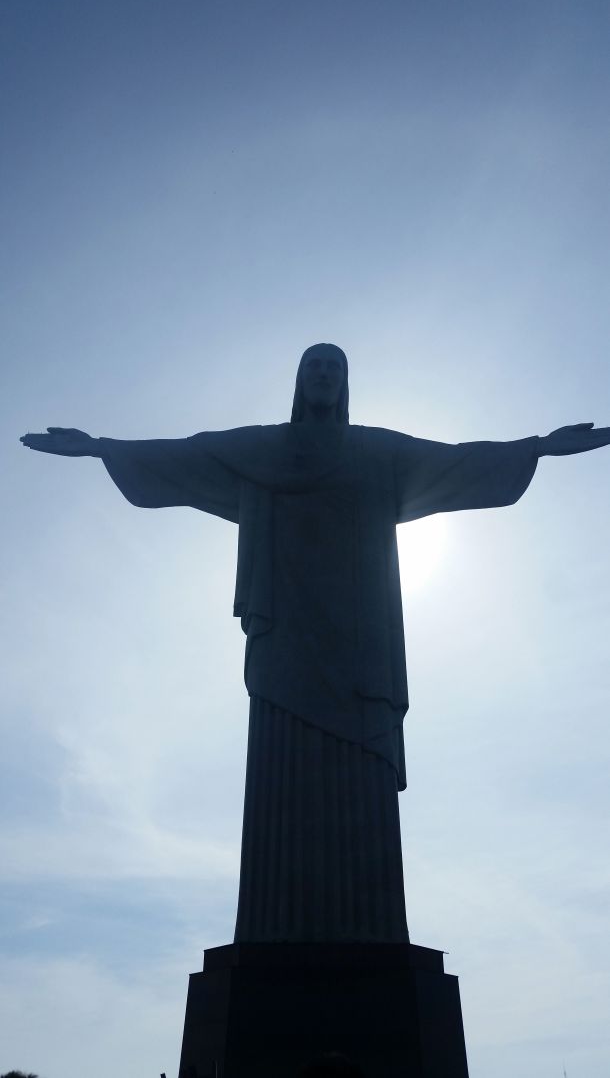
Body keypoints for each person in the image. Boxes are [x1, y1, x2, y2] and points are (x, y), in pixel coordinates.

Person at [20, 343, 610, 944]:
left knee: (361, 769)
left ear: (345, 382)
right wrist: (100, 448)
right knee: (282, 765)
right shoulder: (261, 450)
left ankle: (368, 932)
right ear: (299, 381)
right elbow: (189, 454)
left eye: (334, 368)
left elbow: (453, 462)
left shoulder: (377, 453)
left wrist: (537, 447)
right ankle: (275, 927)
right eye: (314, 366)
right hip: (286, 633)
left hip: (361, 638)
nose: (324, 375)